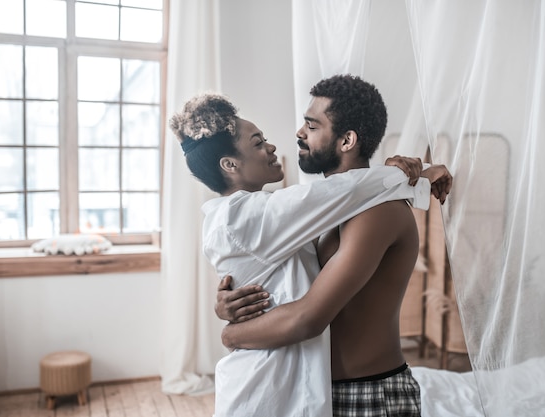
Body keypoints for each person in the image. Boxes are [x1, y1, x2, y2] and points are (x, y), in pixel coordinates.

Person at [168, 91, 448, 416]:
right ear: (230, 165)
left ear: (346, 140)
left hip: (364, 391)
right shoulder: (258, 216)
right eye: (258, 143)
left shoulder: (360, 213)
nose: (297, 134)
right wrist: (405, 175)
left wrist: (232, 332)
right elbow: (337, 192)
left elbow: (306, 316)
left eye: (311, 125)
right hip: (284, 386)